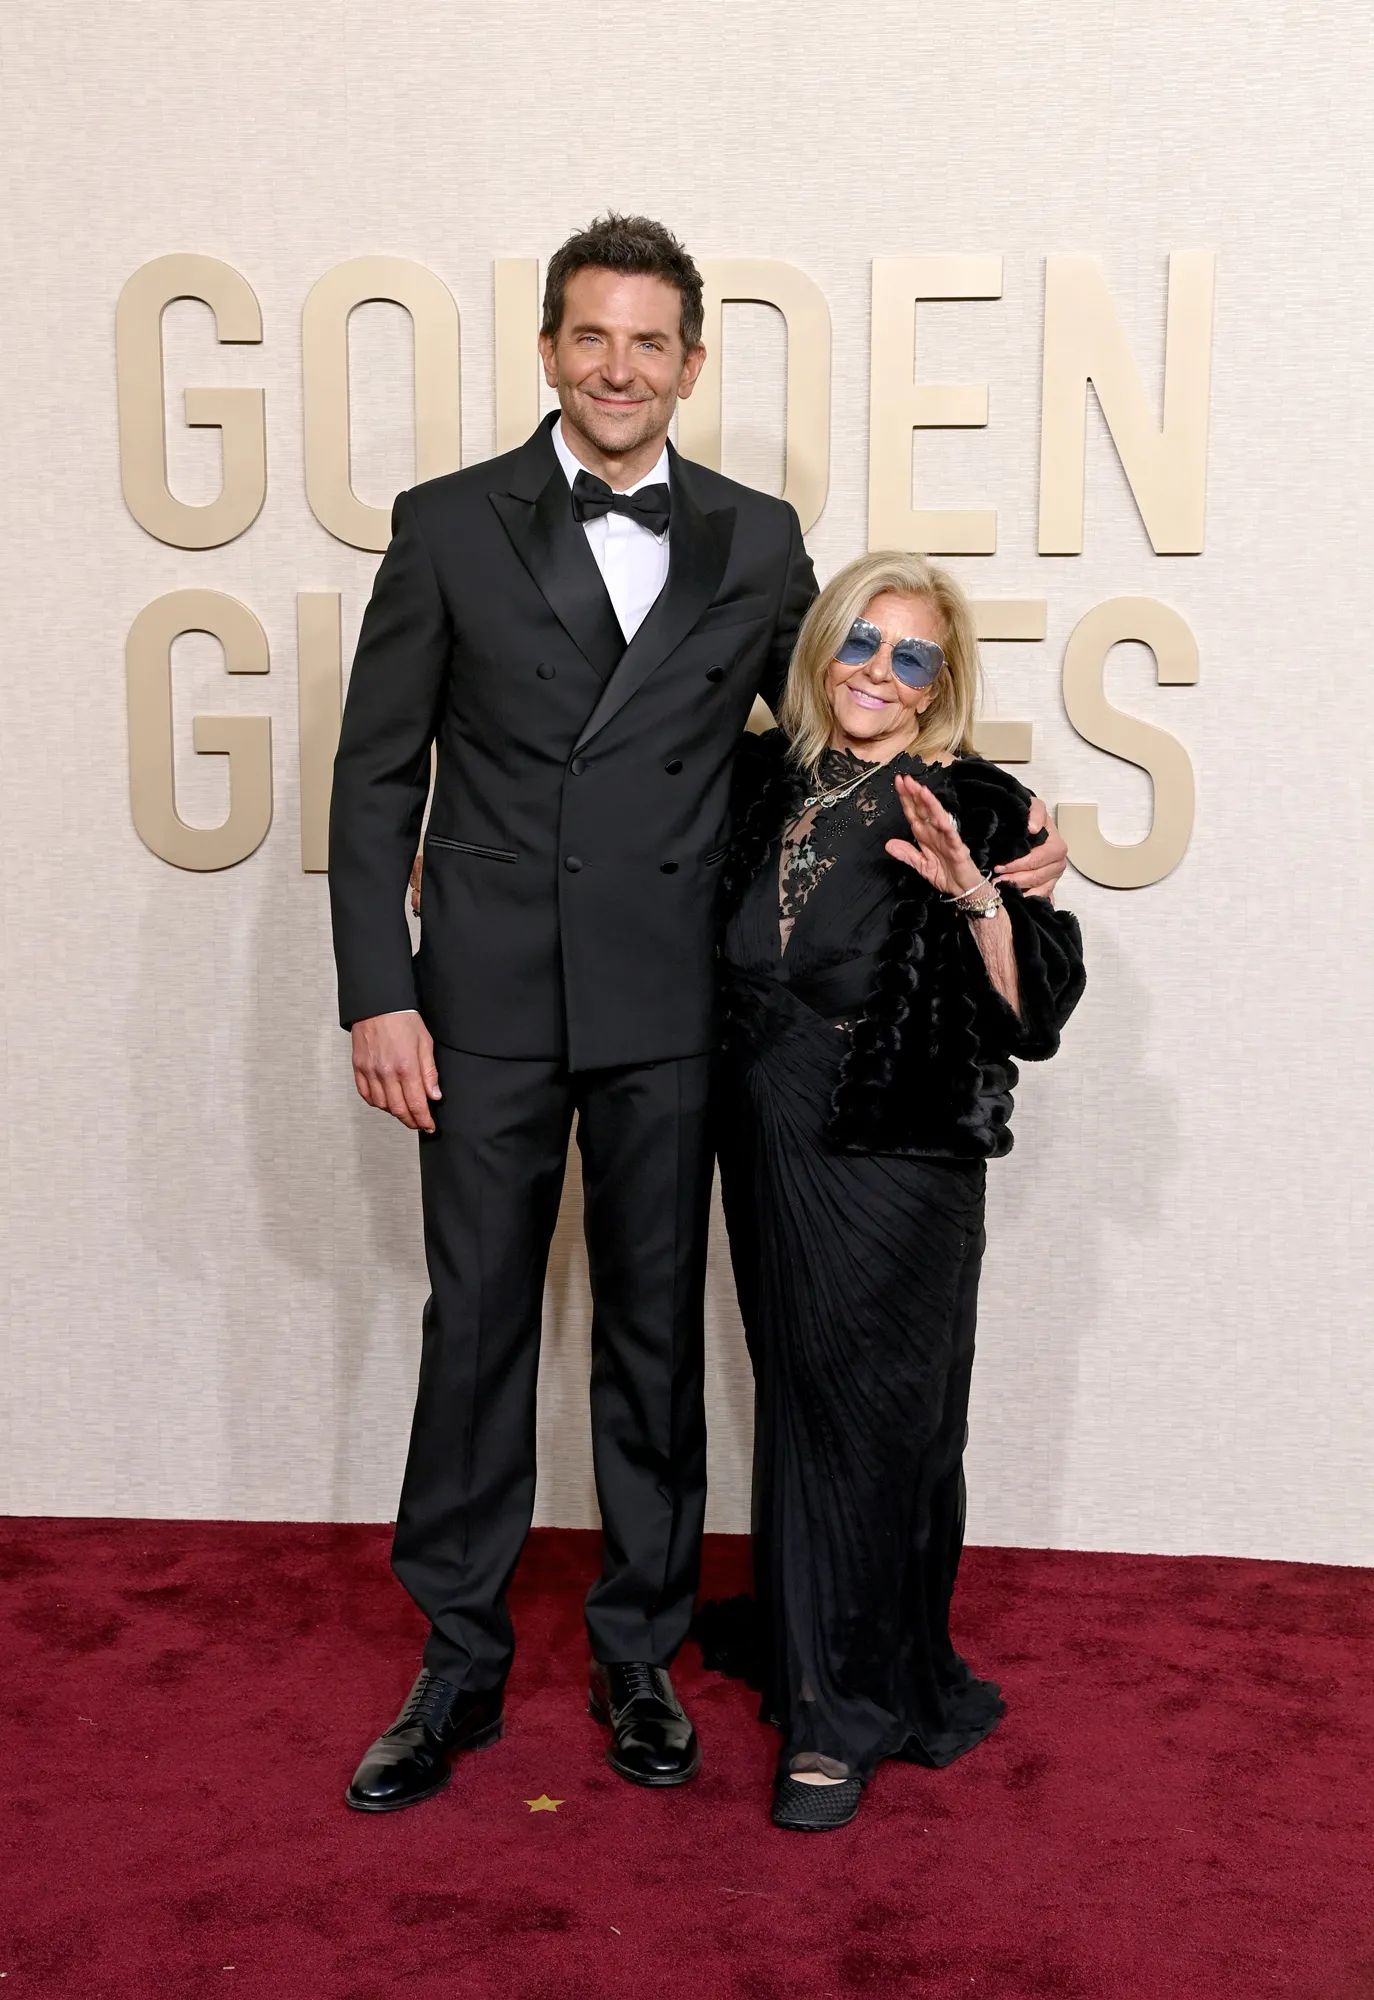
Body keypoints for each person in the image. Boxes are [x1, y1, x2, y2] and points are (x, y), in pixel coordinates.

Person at [328, 213, 1070, 1815]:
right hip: (483, 1005)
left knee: (654, 1345)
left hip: (673, 1010)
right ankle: (455, 1664)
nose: (617, 366)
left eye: (649, 342)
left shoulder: (753, 535)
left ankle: (636, 1654)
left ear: (688, 362)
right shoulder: (446, 523)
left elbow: (833, 730)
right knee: (477, 1334)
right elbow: (375, 770)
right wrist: (375, 995)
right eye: (590, 337)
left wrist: (990, 851)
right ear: (547, 350)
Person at [710, 550, 1085, 1832]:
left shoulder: (976, 799)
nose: (878, 671)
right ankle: (817, 1648)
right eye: (860, 643)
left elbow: (1035, 1010)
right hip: (764, 1140)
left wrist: (975, 887)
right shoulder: (765, 779)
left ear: (941, 683)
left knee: (874, 1423)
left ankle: (844, 1717)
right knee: (801, 1402)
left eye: (910, 654)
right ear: (822, 652)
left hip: (895, 1160)